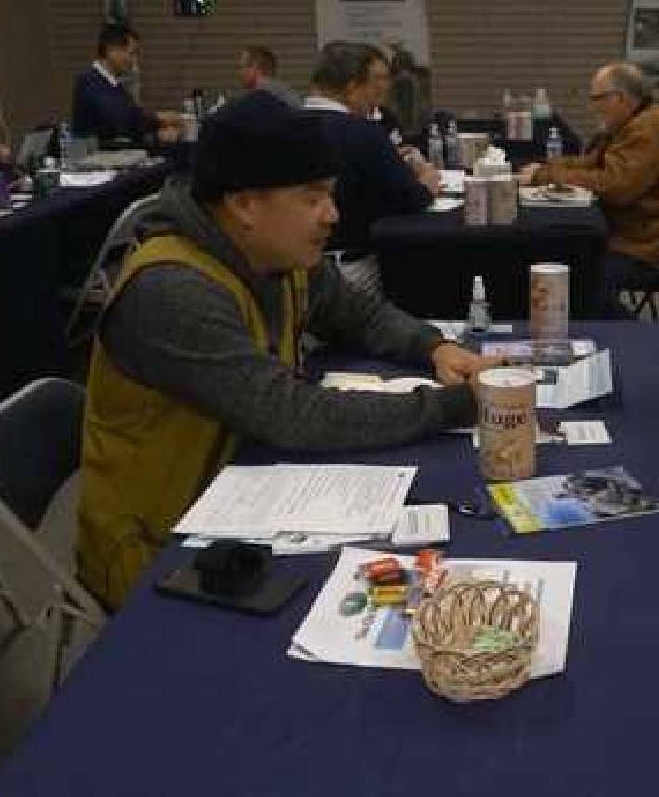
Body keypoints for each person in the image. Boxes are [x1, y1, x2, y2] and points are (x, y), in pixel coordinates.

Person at [77, 91, 493, 609]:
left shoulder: (277, 253)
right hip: (162, 546)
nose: (332, 215)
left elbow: (357, 313)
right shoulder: (172, 290)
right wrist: (456, 405)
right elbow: (290, 415)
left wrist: (434, 348)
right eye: (312, 197)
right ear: (244, 203)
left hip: (245, 494)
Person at [519, 63, 659, 316]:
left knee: (577, 269)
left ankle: (624, 336)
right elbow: (594, 163)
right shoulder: (636, 121)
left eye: (598, 98)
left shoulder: (648, 127)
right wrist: (546, 168)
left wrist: (545, 175)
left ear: (620, 98)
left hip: (645, 246)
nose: (593, 106)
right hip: (636, 230)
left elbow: (615, 186)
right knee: (563, 254)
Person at [304, 42, 438, 292]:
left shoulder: (284, 126)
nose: (380, 93)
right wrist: (426, 181)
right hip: (348, 269)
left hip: (291, 269)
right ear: (353, 89)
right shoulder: (362, 133)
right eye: (373, 83)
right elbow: (410, 198)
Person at [71, 22, 180, 142]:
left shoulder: (114, 84)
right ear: (111, 50)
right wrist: (158, 121)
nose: (134, 61)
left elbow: (133, 117)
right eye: (131, 54)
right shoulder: (89, 82)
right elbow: (119, 119)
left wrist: (159, 124)